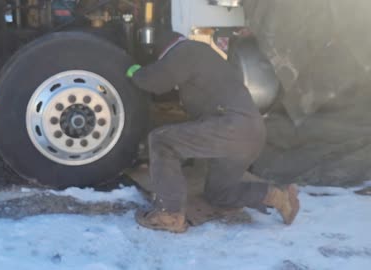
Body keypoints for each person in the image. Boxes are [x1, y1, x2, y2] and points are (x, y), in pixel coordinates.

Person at [126, 31, 300, 233]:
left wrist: (133, 70)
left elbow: (154, 82)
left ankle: (170, 214)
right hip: (250, 132)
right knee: (219, 193)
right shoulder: (204, 56)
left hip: (232, 126)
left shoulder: (185, 50)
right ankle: (277, 196)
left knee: (161, 141)